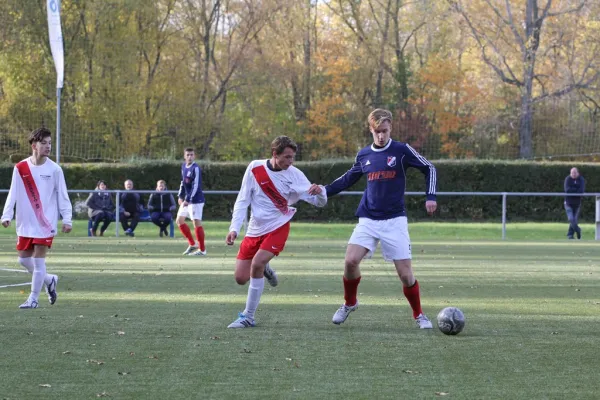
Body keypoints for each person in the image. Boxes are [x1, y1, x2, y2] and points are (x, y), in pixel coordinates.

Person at [309, 109, 437, 329]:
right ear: (371, 130)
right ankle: (350, 303)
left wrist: (431, 196)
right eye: (377, 131)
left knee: (406, 276)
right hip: (368, 219)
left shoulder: (401, 150)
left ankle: (419, 315)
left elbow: (429, 167)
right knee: (350, 261)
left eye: (385, 131)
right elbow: (348, 178)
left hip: (394, 220)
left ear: (390, 129)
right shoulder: (364, 155)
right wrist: (323, 190)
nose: (381, 136)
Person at [225, 136, 327, 328]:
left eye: (292, 157)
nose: (291, 161)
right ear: (275, 154)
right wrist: (234, 228)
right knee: (240, 278)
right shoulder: (255, 168)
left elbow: (319, 203)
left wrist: (320, 192)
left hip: (279, 225)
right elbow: (242, 200)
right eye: (287, 157)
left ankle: (248, 316)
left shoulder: (295, 174)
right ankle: (265, 269)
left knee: (257, 262)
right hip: (255, 228)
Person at [1, 127, 72, 309]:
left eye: (50, 143)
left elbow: (63, 195)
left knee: (39, 262)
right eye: (44, 143)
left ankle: (33, 299)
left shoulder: (55, 169)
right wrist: (7, 214)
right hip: (25, 222)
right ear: (34, 145)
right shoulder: (20, 168)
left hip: (45, 223)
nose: (48, 146)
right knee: (23, 260)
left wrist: (67, 219)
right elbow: (13, 193)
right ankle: (50, 280)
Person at [177, 148, 207, 255]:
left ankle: (202, 250)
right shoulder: (183, 166)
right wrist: (180, 196)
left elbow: (196, 186)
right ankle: (192, 244)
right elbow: (183, 182)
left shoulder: (196, 168)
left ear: (194, 156)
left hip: (196, 200)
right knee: (179, 221)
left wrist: (187, 199)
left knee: (196, 223)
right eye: (188, 155)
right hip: (187, 200)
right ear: (184, 156)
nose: (190, 156)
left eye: (192, 155)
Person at [564, 167, 585, 239]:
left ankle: (570, 235)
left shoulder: (581, 179)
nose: (573, 174)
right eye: (572, 173)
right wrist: (576, 189)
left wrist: (573, 189)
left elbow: (581, 190)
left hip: (577, 203)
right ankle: (578, 230)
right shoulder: (568, 179)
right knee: (571, 219)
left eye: (575, 173)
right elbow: (567, 190)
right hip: (568, 203)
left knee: (574, 220)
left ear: (578, 173)